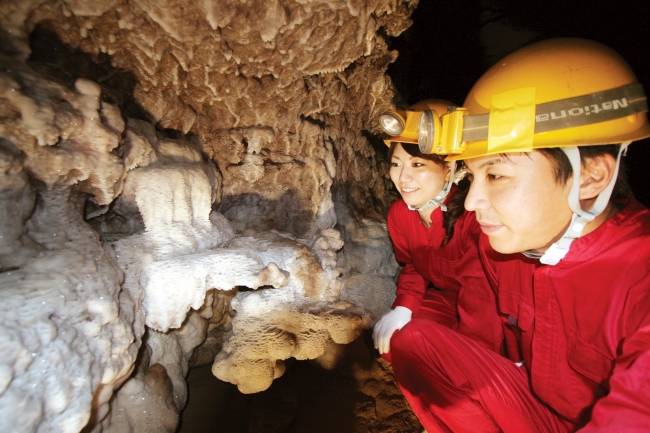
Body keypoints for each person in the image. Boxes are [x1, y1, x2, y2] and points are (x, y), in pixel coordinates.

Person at [390, 38, 650, 432]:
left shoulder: (640, 276)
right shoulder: (507, 250)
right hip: (537, 407)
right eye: (474, 176)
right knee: (415, 341)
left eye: (495, 175)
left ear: (591, 177)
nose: (473, 201)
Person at [372, 100, 502, 365]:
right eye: (396, 164)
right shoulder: (399, 215)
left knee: (456, 366)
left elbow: (481, 294)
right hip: (446, 300)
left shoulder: (474, 217)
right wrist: (404, 305)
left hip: (491, 313)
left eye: (418, 165)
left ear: (449, 169)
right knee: (397, 344)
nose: (403, 178)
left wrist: (474, 350)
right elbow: (412, 265)